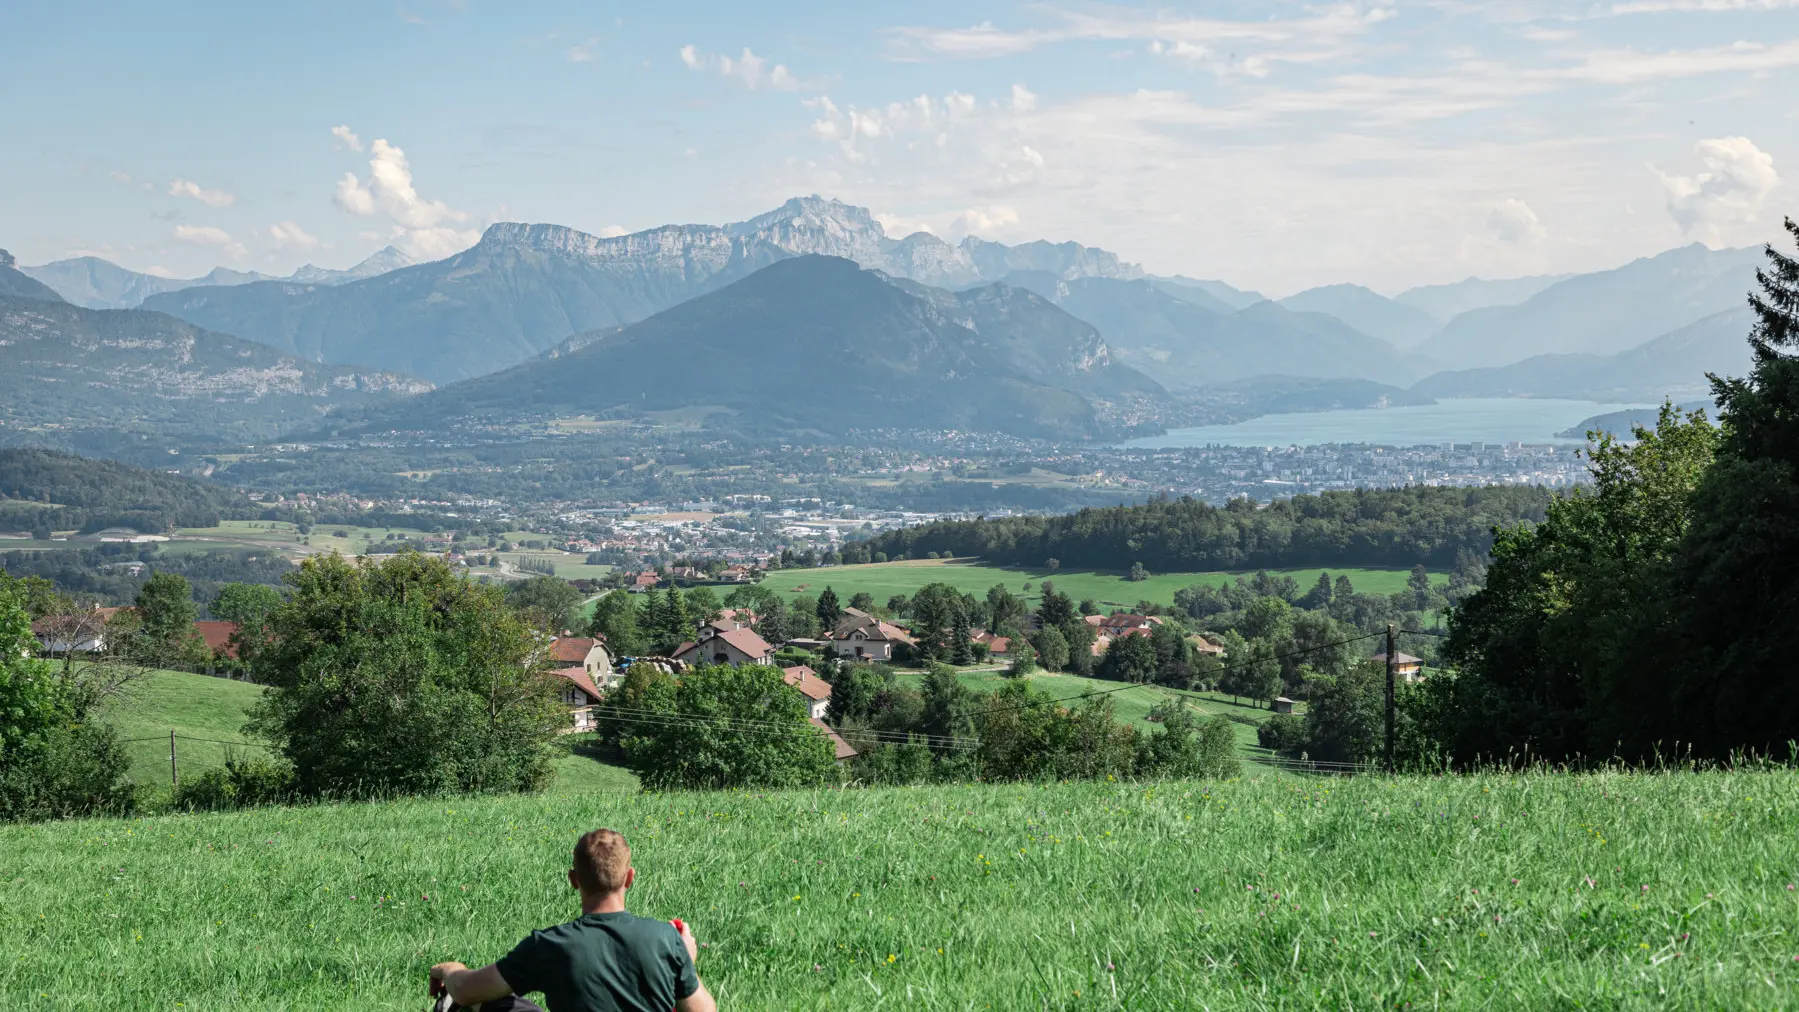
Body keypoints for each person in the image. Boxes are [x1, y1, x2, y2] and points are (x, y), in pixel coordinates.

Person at [430, 828, 716, 1012]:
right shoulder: (665, 939)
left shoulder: (549, 945)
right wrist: (686, 962)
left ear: (573, 880)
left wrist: (447, 969)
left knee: (493, 1003)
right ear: (630, 878)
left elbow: (467, 991)